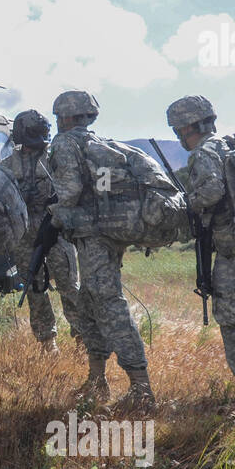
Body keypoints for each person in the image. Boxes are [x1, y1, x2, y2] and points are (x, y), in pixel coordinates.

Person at [47, 90, 155, 412]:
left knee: (108, 305)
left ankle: (141, 388)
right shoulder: (100, 142)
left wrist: (50, 207)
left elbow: (69, 191)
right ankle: (97, 380)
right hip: (104, 235)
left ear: (64, 116)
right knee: (88, 302)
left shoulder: (66, 143)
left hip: (92, 238)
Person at [167, 95, 235, 401]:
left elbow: (211, 191)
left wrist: (184, 202)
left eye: (180, 130)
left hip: (234, 251)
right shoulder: (231, 146)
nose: (179, 136)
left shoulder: (206, 151)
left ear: (191, 126)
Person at [3, 109, 88, 353]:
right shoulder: (8, 164)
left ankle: (84, 338)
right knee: (34, 288)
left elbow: (72, 190)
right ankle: (47, 342)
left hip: (56, 231)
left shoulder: (55, 159)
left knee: (69, 285)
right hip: (24, 236)